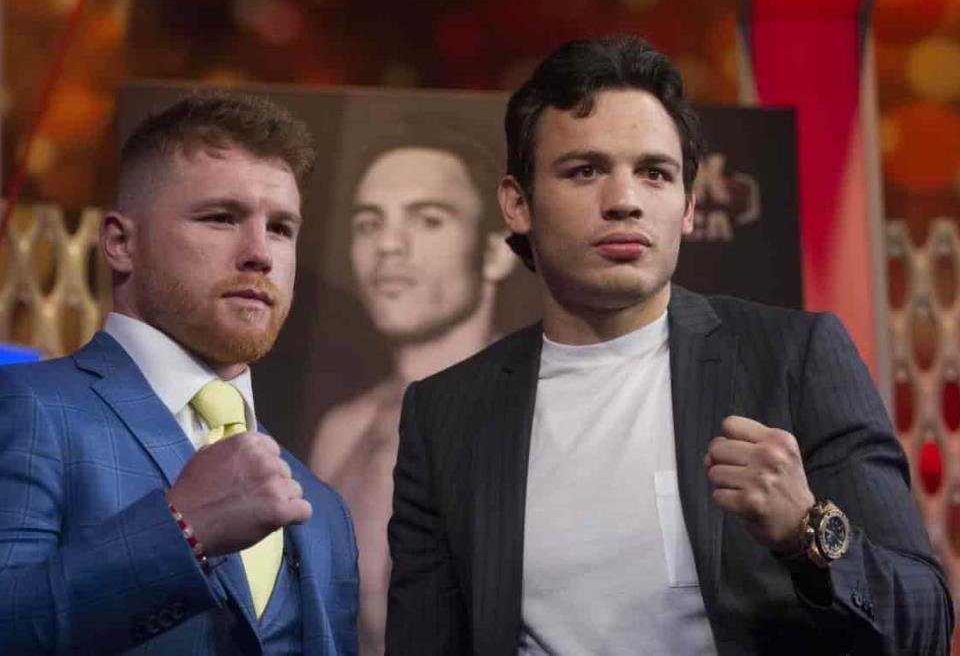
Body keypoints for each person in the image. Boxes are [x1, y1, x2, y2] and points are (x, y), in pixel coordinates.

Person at [385, 36, 953, 655]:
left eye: (654, 173)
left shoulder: (795, 358)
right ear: (518, 204)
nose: (624, 202)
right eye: (585, 171)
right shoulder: (446, 415)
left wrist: (806, 528)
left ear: (687, 206)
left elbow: (923, 623)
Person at [0, 91, 358, 655]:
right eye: (221, 218)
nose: (260, 254)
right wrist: (180, 532)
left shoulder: (324, 509)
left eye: (281, 228)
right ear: (121, 243)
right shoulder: (27, 406)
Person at [310, 130, 515, 656]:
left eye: (428, 219)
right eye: (368, 224)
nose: (389, 245)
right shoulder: (342, 431)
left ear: (495, 252)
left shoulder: (541, 416)